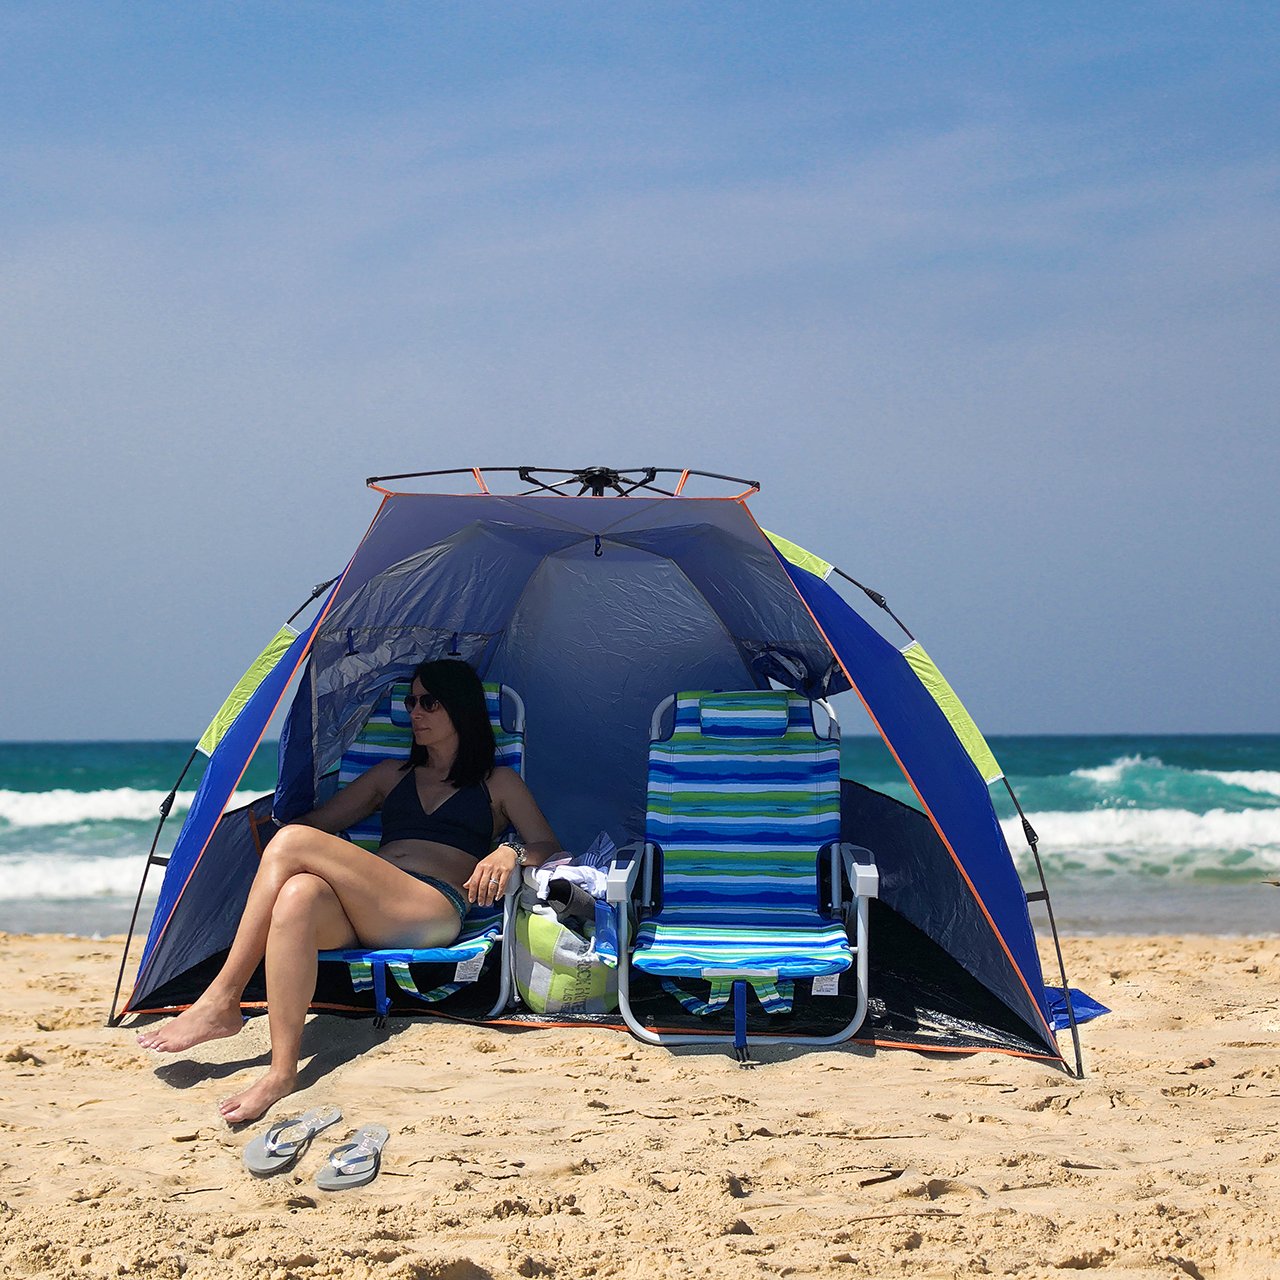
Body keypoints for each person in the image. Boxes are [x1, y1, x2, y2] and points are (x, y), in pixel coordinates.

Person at [136, 659, 561, 1124]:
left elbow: (550, 847)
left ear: (459, 709)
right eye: (411, 701)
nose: (414, 712)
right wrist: (249, 827)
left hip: (431, 908)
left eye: (428, 702)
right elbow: (312, 828)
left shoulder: (497, 783)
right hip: (369, 910)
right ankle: (282, 1072)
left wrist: (509, 854)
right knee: (298, 892)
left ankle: (222, 997)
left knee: (293, 847)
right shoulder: (389, 776)